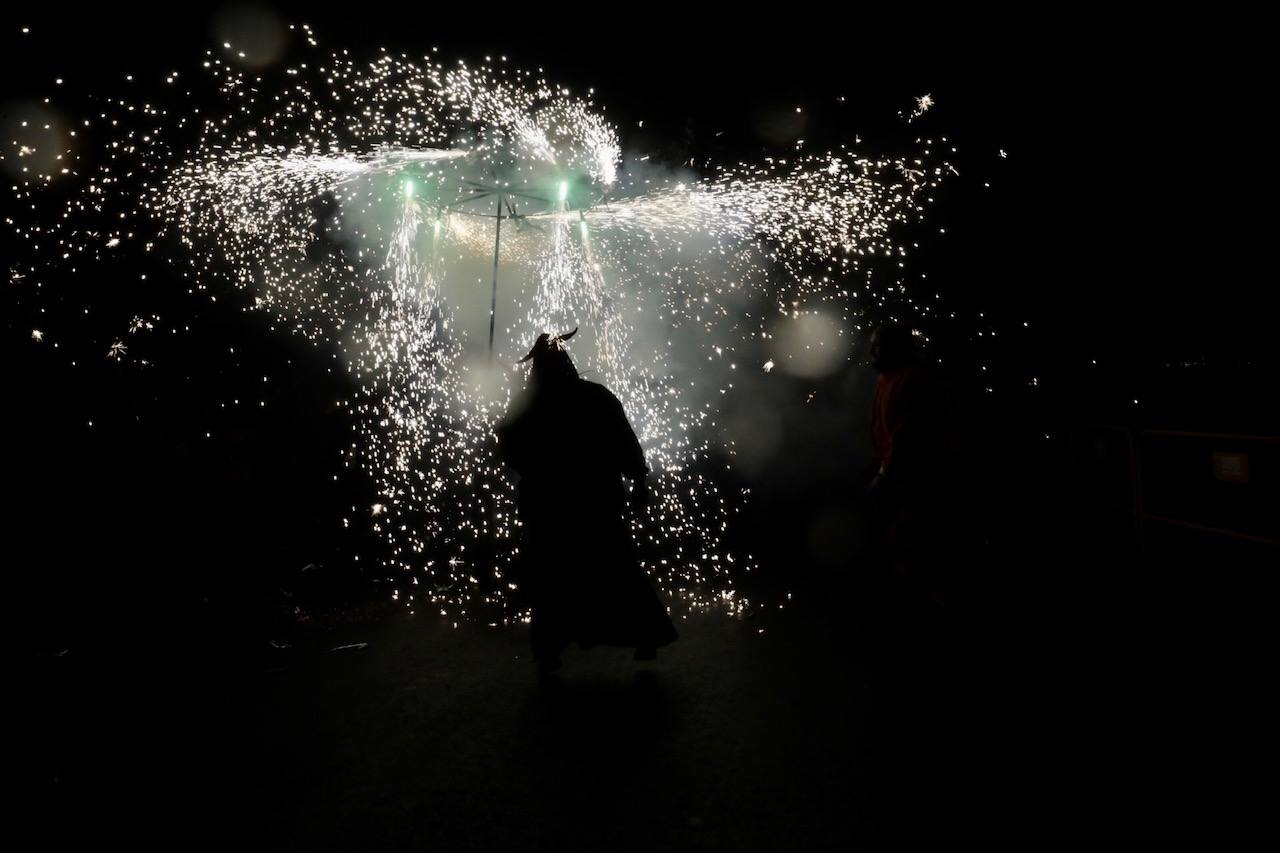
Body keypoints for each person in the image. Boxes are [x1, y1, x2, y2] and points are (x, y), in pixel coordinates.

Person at [497, 329, 678, 674]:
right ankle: (642, 636)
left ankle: (551, 650)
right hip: (591, 500)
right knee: (611, 567)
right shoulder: (593, 396)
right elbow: (625, 443)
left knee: (555, 576)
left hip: (557, 504)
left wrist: (503, 434)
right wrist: (639, 481)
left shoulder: (530, 402)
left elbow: (513, 453)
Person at [868, 322, 949, 605]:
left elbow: (907, 433)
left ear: (895, 348)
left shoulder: (912, 380)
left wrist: (886, 472)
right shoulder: (884, 379)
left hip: (915, 473)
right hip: (895, 471)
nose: (872, 351)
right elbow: (882, 429)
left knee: (917, 538)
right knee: (898, 539)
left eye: (877, 345)